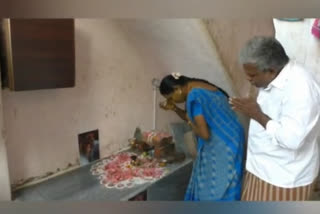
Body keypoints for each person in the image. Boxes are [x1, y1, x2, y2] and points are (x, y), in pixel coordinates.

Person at [229, 36, 320, 201]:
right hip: (261, 166)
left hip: (283, 176)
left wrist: (257, 114)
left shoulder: (301, 88)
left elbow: (291, 140)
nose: (249, 80)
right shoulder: (270, 78)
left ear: (271, 70)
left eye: (252, 76)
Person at [159, 73, 245, 201]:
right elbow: (194, 118)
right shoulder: (202, 87)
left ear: (177, 89)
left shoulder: (194, 96)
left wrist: (189, 122)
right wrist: (175, 108)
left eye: (171, 98)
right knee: (228, 182)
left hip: (222, 145)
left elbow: (204, 134)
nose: (172, 101)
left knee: (213, 188)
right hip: (233, 139)